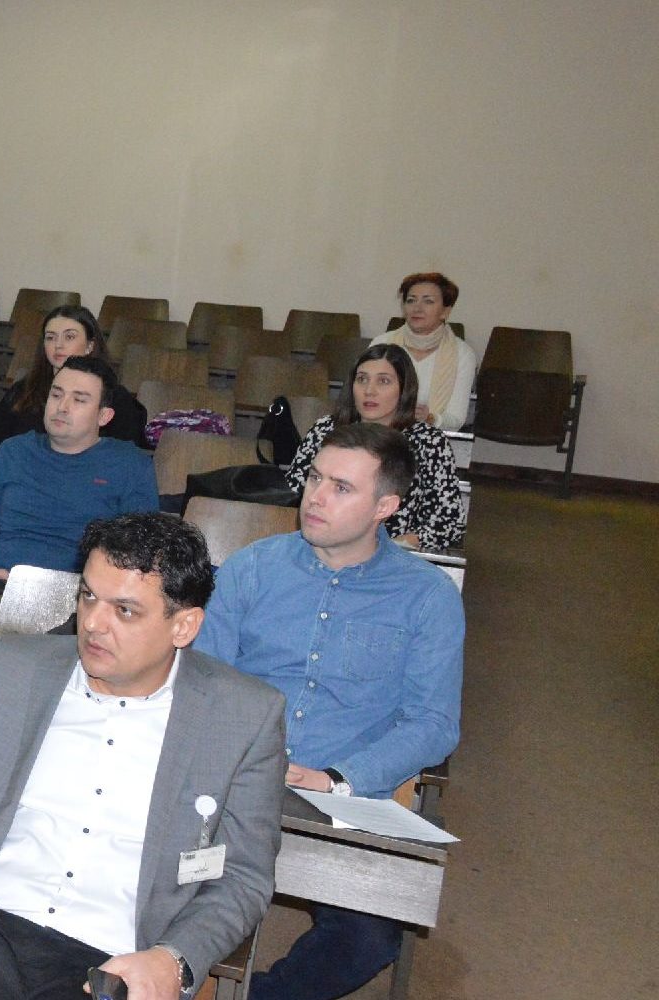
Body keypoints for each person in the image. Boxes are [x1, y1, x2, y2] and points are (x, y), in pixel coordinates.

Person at [0, 513, 285, 1000]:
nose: (93, 623)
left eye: (125, 611)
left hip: (115, 955)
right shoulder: (14, 667)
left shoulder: (243, 715)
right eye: (89, 596)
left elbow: (242, 876)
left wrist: (173, 958)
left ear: (184, 626)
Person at [195, 421, 465, 1000]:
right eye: (315, 478)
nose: (315, 496)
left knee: (367, 940)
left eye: (341, 488)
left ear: (385, 507)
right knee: (144, 881)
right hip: (236, 781)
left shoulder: (427, 596)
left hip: (341, 799)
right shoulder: (251, 568)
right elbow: (205, 682)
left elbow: (434, 724)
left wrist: (336, 779)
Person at [0, 355, 159, 579]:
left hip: (82, 591)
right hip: (3, 583)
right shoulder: (14, 451)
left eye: (79, 400)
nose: (62, 407)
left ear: (104, 416)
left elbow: (140, 548)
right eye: (56, 395)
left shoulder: (130, 464)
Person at [284, 343, 465, 551]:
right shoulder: (325, 429)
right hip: (321, 547)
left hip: (394, 553)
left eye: (383, 381)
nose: (369, 391)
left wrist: (397, 545)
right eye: (362, 379)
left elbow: (449, 523)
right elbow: (294, 494)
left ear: (404, 389)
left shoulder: (429, 442)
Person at [0, 304, 148, 459]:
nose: (58, 345)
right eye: (50, 337)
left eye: (69, 337)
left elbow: (122, 459)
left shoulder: (115, 398)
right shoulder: (23, 391)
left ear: (90, 346)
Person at [370, 272, 477, 431]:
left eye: (428, 301)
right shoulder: (381, 343)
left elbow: (456, 420)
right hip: (381, 434)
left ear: (445, 311)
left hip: (431, 437)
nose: (417, 308)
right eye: (411, 300)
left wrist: (430, 418)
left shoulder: (463, 354)